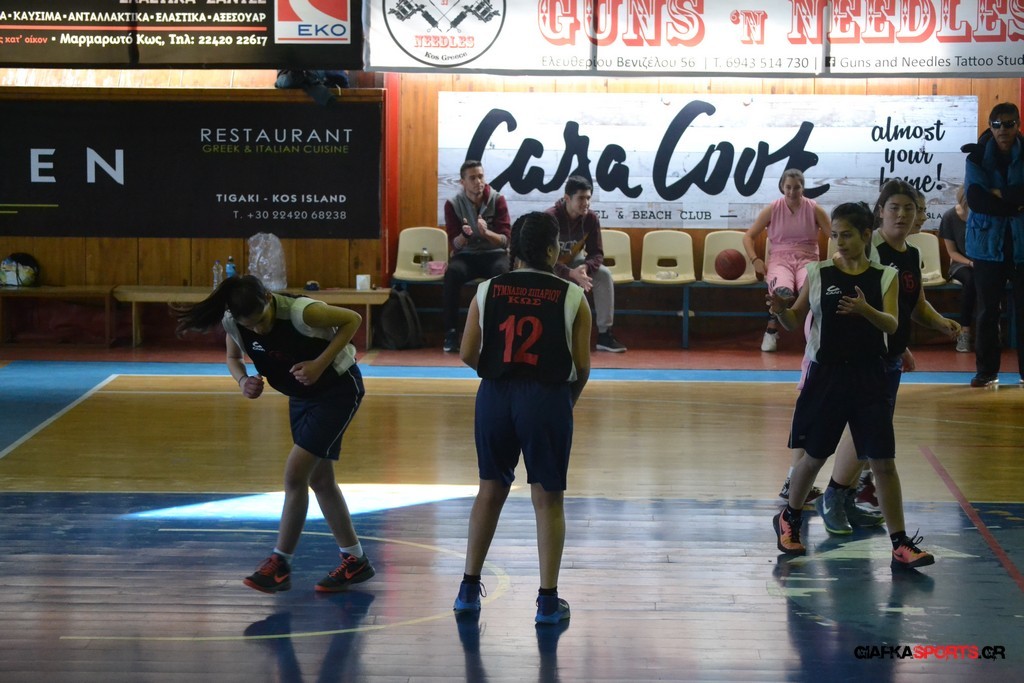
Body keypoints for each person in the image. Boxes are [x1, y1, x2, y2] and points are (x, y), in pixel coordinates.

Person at [174, 275, 375, 594]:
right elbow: (233, 357)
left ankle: (280, 563)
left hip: (337, 391)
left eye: (261, 320)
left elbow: (353, 319)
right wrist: (243, 381)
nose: (258, 329)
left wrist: (319, 363)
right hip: (301, 397)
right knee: (320, 480)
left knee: (295, 475)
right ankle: (355, 560)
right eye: (250, 325)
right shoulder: (233, 322)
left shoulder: (302, 312)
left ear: (268, 298)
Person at [769, 201, 935, 570]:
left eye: (847, 235)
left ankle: (900, 543)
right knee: (814, 457)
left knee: (883, 462)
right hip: (827, 376)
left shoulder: (884, 276)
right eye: (835, 235)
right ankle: (789, 517)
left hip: (869, 376)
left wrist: (866, 311)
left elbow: (892, 324)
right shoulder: (818, 273)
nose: (839, 242)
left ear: (865, 235)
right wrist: (779, 311)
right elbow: (794, 320)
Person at [453, 212, 591, 624]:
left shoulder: (487, 289)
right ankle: (547, 602)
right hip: (547, 397)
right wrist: (564, 403)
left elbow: (466, 352)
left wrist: (499, 371)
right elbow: (581, 367)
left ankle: (467, 592)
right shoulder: (572, 296)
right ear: (551, 250)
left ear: (513, 251)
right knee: (548, 499)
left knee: (489, 490)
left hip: (495, 394)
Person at [813, 180, 960, 539]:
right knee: (863, 432)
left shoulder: (910, 254)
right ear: (880, 212)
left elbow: (915, 305)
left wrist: (941, 323)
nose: (902, 215)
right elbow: (851, 306)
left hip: (888, 356)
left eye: (910, 208)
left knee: (870, 436)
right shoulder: (870, 250)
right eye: (894, 207)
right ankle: (832, 496)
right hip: (862, 358)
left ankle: (845, 498)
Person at [963, 102, 1024, 387]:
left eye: (1009, 124)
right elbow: (977, 200)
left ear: (1018, 126)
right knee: (988, 310)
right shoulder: (976, 157)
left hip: (1021, 245)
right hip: (986, 245)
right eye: (997, 124)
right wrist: (1015, 203)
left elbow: (989, 198)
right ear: (990, 126)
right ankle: (987, 372)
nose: (1003, 130)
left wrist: (998, 194)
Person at [742, 168, 830, 353]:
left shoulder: (814, 209)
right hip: (780, 259)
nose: (792, 191)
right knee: (781, 291)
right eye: (788, 187)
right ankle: (771, 330)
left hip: (808, 258)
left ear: (802, 188)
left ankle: (816, 333)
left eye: (796, 187)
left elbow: (834, 235)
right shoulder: (773, 208)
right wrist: (755, 259)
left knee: (811, 288)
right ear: (782, 186)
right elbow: (748, 236)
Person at [546, 175, 626, 353]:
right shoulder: (550, 218)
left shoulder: (591, 219)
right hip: (549, 267)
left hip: (574, 263)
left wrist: (586, 267)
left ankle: (605, 335)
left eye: (588, 198)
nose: (586, 203)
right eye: (581, 198)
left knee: (603, 275)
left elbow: (597, 253)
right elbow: (544, 258)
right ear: (567, 198)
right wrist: (569, 273)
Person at [442, 160, 512, 353]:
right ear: (462, 182)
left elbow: (505, 241)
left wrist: (486, 233)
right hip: (467, 256)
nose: (478, 182)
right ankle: (451, 333)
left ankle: (500, 332)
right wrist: (464, 236)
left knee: (503, 273)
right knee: (452, 273)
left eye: (480, 176)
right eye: (472, 178)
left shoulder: (498, 200)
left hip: (494, 255)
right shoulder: (453, 204)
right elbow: (455, 244)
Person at [939, 186, 975, 352]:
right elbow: (952, 252)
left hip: (984, 261)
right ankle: (965, 332)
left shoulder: (983, 215)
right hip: (960, 263)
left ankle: (991, 328)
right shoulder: (950, 217)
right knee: (971, 279)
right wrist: (970, 263)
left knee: (986, 280)